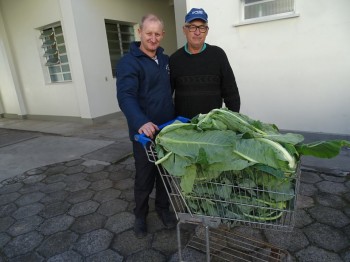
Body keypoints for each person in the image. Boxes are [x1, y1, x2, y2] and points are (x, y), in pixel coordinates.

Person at [116, 14, 176, 238]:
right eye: (148, 33)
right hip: (143, 134)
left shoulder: (166, 60)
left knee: (165, 175)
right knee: (144, 178)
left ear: (163, 35)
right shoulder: (129, 62)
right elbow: (125, 96)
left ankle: (163, 209)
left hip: (166, 130)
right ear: (139, 32)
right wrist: (141, 122)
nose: (153, 38)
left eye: (157, 34)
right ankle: (140, 215)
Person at [170, 8, 241, 119]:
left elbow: (231, 94)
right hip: (184, 129)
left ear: (207, 31)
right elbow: (166, 95)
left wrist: (233, 121)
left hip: (212, 127)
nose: (197, 32)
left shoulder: (218, 55)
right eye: (192, 27)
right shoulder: (174, 59)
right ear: (184, 30)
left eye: (202, 27)